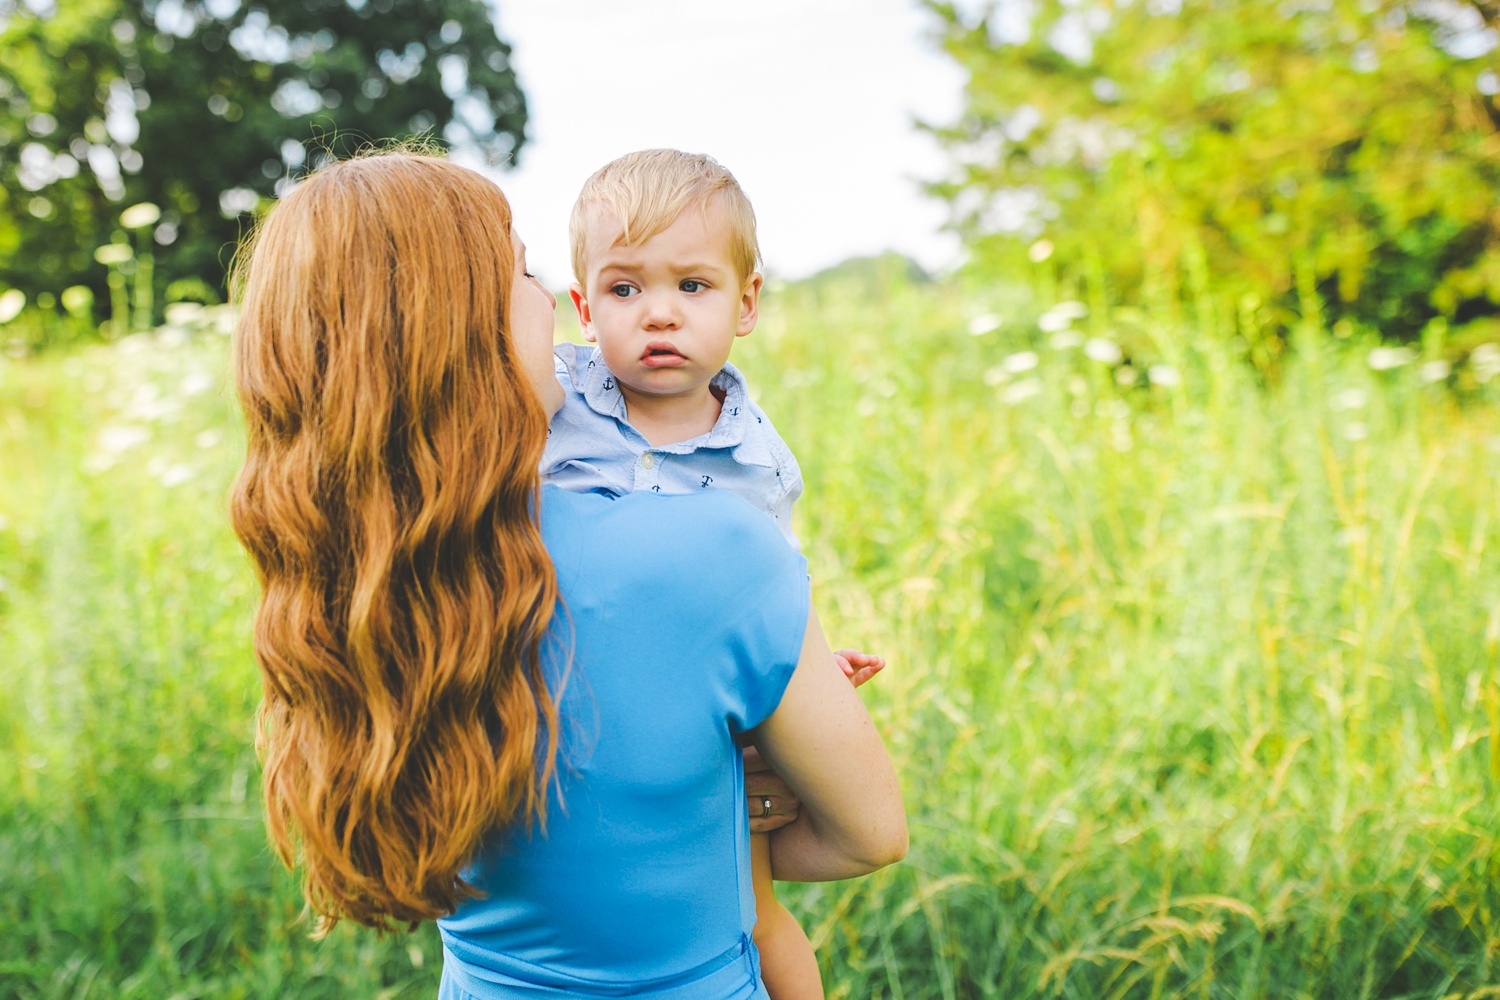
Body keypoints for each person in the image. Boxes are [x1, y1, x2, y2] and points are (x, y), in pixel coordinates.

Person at [228, 150, 906, 999]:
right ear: (460, 322)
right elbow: (871, 835)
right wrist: (728, 820)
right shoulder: (718, 550)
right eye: (521, 271)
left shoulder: (361, 575)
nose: (548, 301)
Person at [545, 148, 884, 998]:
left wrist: (811, 670)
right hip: (574, 696)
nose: (658, 314)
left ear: (747, 302)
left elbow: (771, 597)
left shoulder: (757, 462)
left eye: (692, 287)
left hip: (703, 712)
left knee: (754, 906)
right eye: (625, 290)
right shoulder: (557, 398)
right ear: (583, 307)